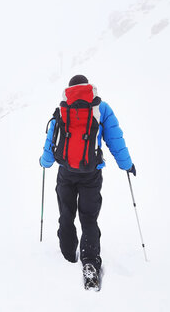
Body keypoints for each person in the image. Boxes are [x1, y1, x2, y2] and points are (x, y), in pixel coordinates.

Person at [39, 74, 135, 290]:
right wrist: (126, 164)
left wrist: (45, 162)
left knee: (66, 214)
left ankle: (66, 255)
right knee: (89, 218)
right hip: (91, 174)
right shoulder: (101, 108)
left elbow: (51, 139)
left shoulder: (63, 109)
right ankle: (90, 262)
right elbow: (115, 139)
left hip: (65, 172)